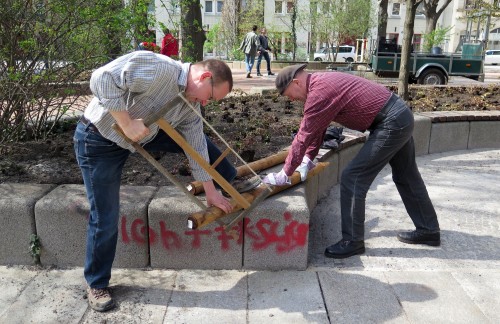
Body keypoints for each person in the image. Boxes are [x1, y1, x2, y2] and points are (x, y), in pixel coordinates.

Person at [74, 52, 237, 311]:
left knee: (203, 144)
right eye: (210, 96)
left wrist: (210, 191)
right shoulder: (159, 68)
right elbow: (100, 78)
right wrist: (126, 122)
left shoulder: (191, 105)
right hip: (99, 139)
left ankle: (229, 181)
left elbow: (195, 147)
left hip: (142, 134)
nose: (206, 103)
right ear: (205, 76)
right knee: (105, 216)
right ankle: (96, 283)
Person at [263, 64, 440, 259]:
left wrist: (285, 173)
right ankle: (428, 230)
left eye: (290, 94)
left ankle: (352, 241)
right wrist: (307, 159)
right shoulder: (320, 84)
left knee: (353, 178)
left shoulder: (319, 93)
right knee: (406, 175)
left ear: (296, 82)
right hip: (399, 116)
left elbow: (304, 135)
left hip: (391, 122)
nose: (292, 99)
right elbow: (318, 128)